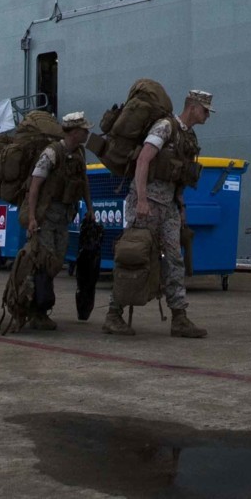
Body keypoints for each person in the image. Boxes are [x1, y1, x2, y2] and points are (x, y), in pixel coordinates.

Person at [104, 88, 213, 339]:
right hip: (147, 202)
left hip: (169, 207)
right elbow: (143, 161)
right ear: (193, 106)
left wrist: (181, 207)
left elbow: (179, 176)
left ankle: (179, 318)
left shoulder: (189, 137)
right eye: (205, 109)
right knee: (135, 255)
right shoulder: (165, 127)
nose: (207, 115)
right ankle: (113, 314)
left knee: (174, 259)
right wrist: (141, 199)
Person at [20, 111, 93, 330]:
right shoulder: (51, 154)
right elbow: (35, 186)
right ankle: (31, 308)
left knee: (55, 262)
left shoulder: (78, 154)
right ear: (74, 132)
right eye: (83, 130)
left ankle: (38, 307)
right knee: (43, 261)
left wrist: (90, 208)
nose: (87, 133)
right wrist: (32, 218)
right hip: (45, 216)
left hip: (63, 217)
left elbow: (83, 182)